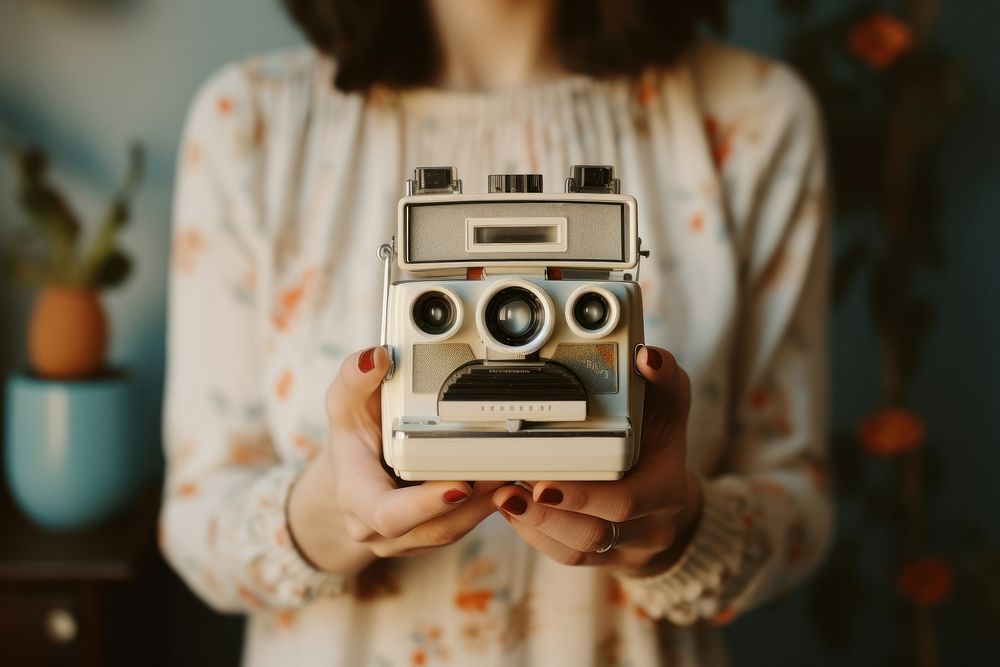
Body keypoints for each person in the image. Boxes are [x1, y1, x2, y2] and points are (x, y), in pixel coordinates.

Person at [160, 0, 832, 664]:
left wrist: (680, 529)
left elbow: (802, 508)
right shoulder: (254, 123)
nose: (514, 321)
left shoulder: (751, 116)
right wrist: (330, 510)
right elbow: (194, 525)